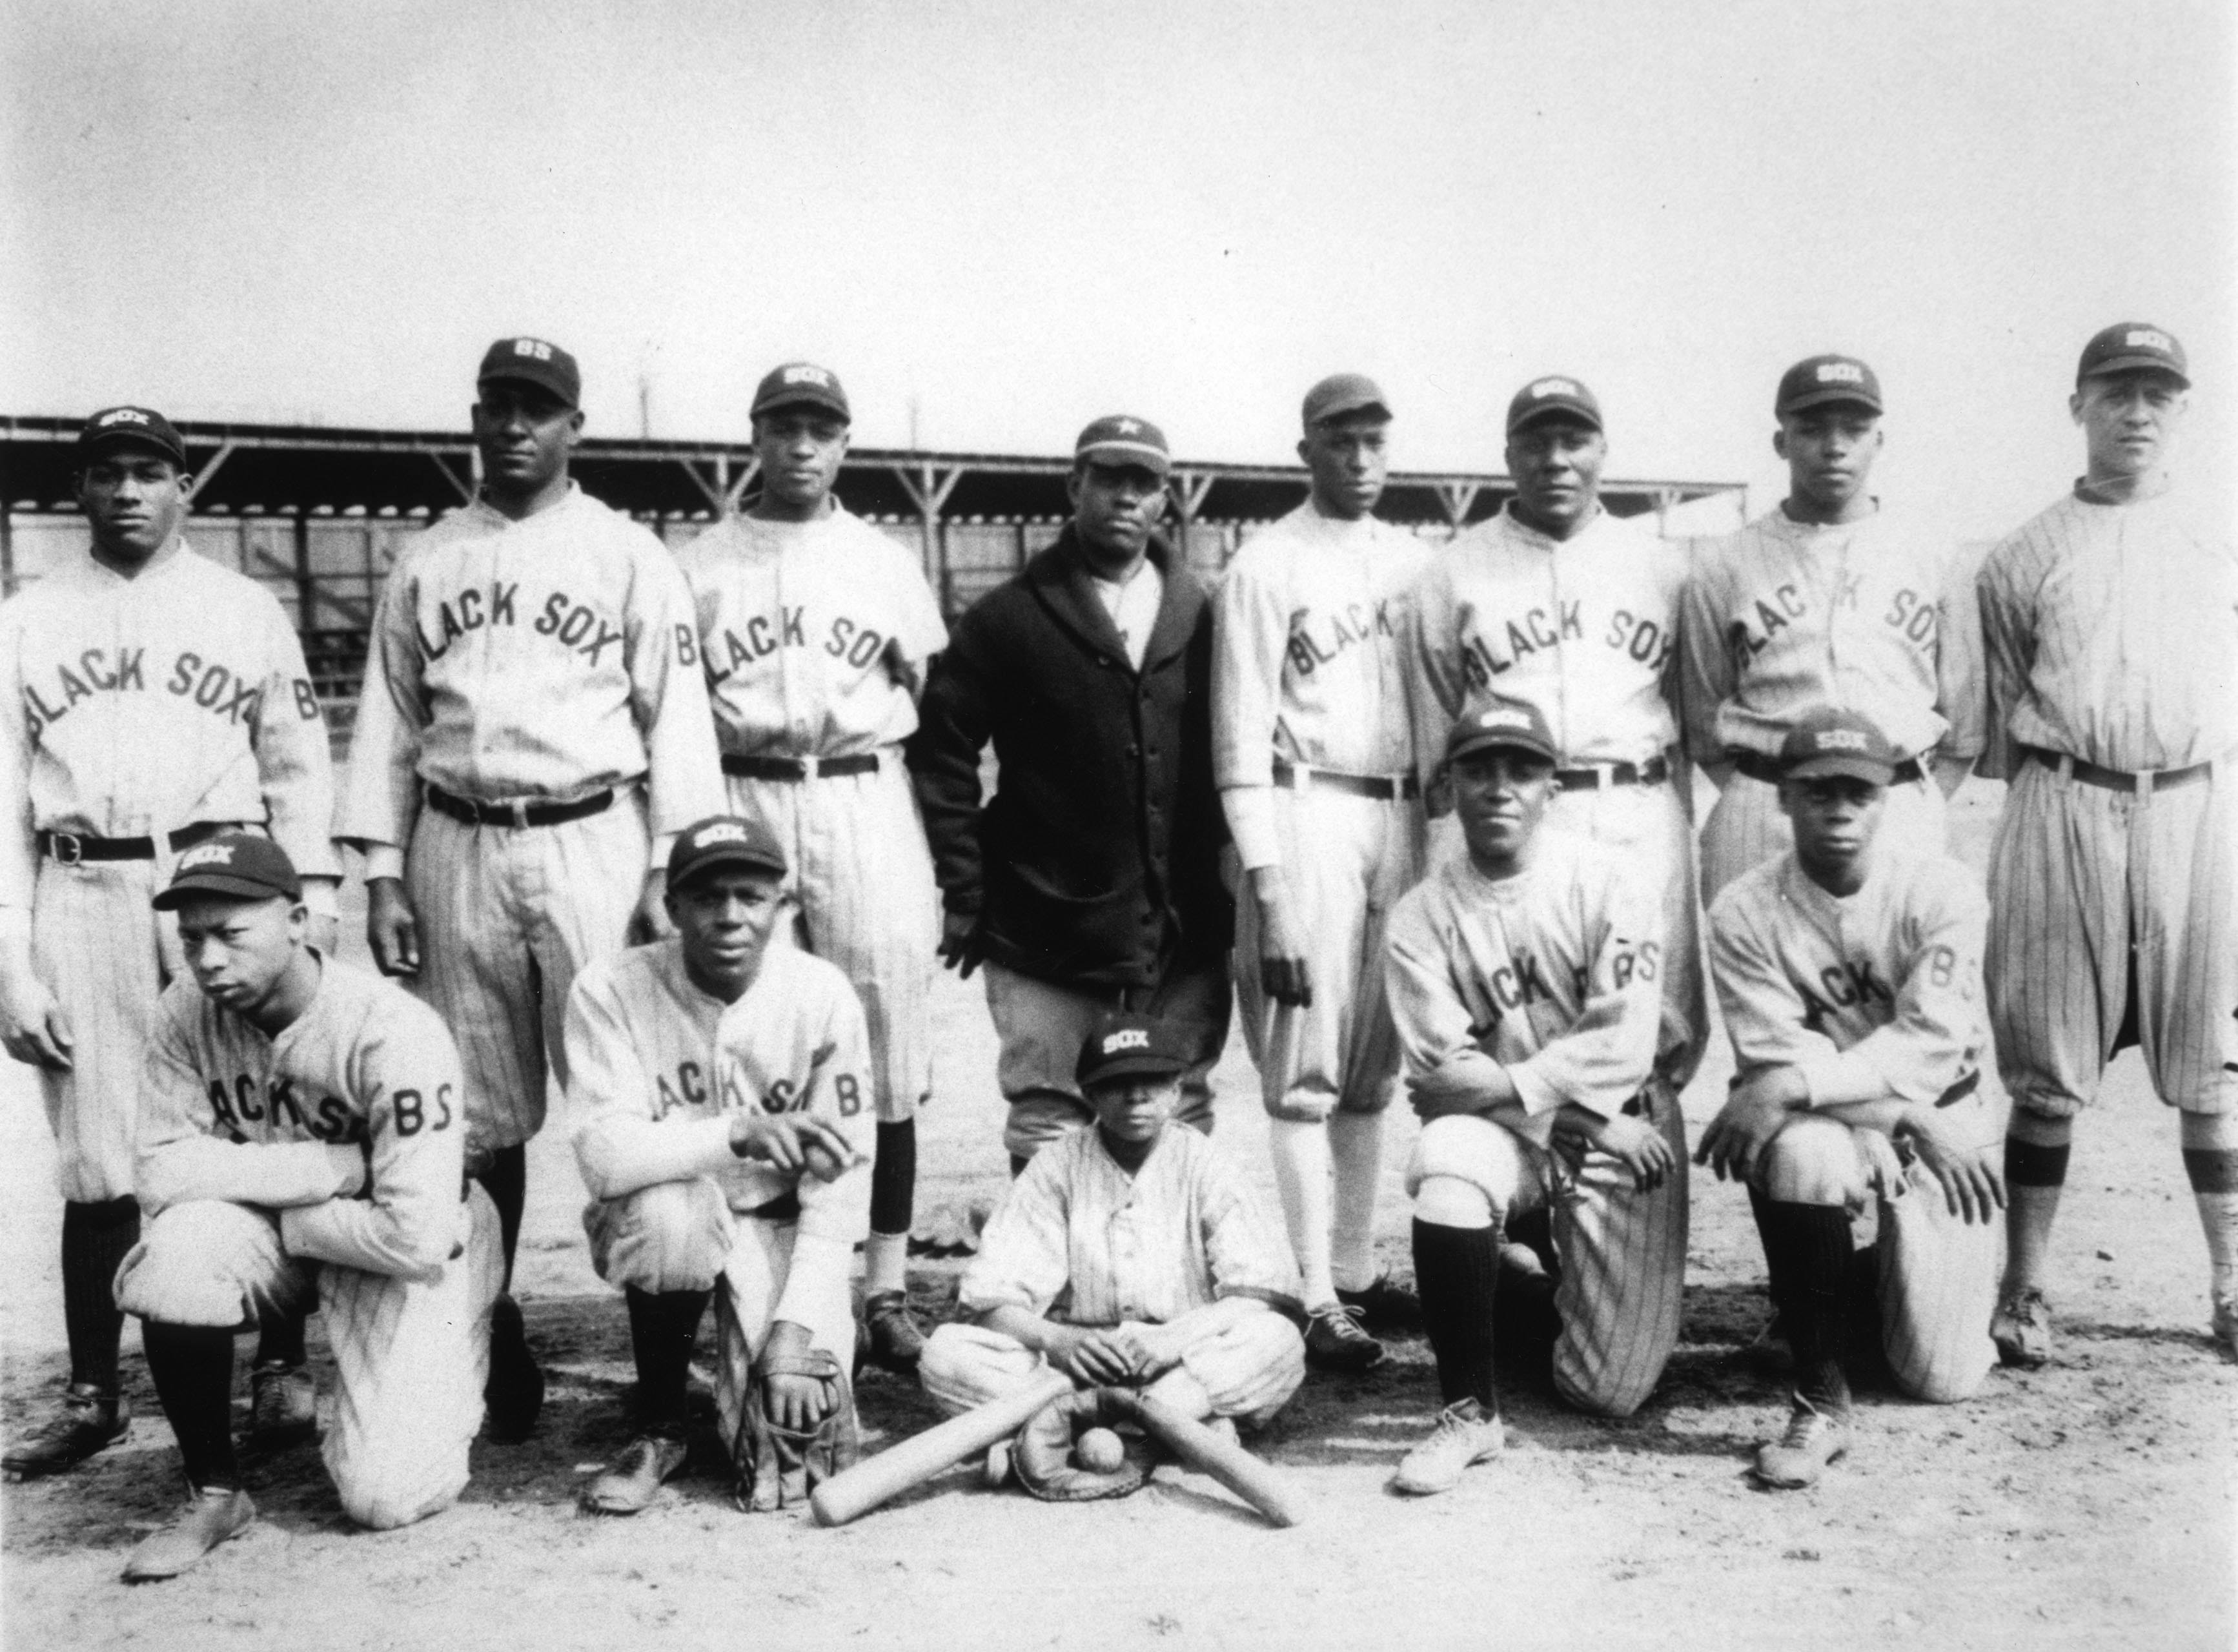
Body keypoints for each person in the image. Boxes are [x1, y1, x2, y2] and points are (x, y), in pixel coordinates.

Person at [336, 338, 724, 1437]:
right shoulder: (425, 557)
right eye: (499, 406)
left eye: (539, 409)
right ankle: (489, 1326)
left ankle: (658, 1367)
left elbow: (677, 718)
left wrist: (668, 865)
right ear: (475, 417)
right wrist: (378, 868)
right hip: (455, 838)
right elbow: (390, 722)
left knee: (626, 1096)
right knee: (472, 1111)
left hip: (593, 829)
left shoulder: (625, 549)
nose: (516, 426)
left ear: (574, 427)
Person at [0, 407, 338, 1478]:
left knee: (251, 1118)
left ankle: (279, 1363)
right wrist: (11, 959)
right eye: (107, 473)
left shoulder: (242, 607)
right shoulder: (27, 615)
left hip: (216, 879)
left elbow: (295, 762)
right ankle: (97, 1389)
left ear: (185, 486)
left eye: (150, 471)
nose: (129, 491)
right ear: (80, 490)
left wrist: (314, 898)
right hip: (83, 880)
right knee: (98, 1148)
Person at [112, 834, 500, 1580]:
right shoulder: (182, 1010)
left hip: (409, 1245)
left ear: (296, 920)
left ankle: (482, 1318)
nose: (207, 960)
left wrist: (277, 1208)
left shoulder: (391, 1029)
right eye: (191, 938)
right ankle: (217, 1493)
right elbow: (161, 1172)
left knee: (385, 1496)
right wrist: (334, 1166)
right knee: (178, 1253)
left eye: (230, 934)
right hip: (332, 1215)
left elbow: (413, 1237)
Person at [673, 362, 945, 1374]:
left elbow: (938, 702)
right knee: (747, 1036)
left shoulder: (883, 559)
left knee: (885, 1038)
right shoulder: (698, 561)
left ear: (844, 443)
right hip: (742, 791)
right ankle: (755, 1278)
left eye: (820, 428)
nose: (800, 445)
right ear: (754, 436)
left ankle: (883, 1285)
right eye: (783, 426)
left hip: (863, 790)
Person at [1975, 323, 2238, 1365]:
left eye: (2157, 395)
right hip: (2063, 797)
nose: (2136, 412)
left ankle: (2228, 1282)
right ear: (2075, 404)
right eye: (2115, 393)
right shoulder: (2022, 552)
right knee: (2044, 1064)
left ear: (2181, 409)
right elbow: (2001, 710)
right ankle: (2023, 1283)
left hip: (2194, 801)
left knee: (2211, 1060)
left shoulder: (2220, 531)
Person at [911, 416, 1233, 1167]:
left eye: (1143, 483)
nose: (1125, 498)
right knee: (1050, 1110)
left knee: (1175, 1103)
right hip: (1043, 914)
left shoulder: (1202, 612)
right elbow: (942, 750)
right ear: (1074, 486)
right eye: (1108, 479)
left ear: (1164, 499)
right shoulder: (1011, 614)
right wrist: (963, 887)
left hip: (1179, 922)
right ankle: (1044, 1281)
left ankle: (1168, 1277)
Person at [1383, 697, 1682, 1496]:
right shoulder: (1419, 916)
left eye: (1521, 769)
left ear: (1553, 786)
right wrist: (1567, 1112)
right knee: (1445, 1156)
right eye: (1478, 770)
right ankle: (1467, 1413)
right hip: (1534, 1131)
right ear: (1449, 786)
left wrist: (1533, 1093)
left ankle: (1511, 1280)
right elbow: (1440, 1082)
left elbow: (1621, 1041)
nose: (1499, 788)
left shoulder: (1611, 878)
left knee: (1604, 1388)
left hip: (1625, 1124)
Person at [1699, 707, 2004, 1489]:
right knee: (1799, 1151)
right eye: (1816, 790)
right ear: (1781, 797)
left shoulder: (1941, 889)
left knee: (1940, 1376)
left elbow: (1929, 1044)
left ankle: (1854, 1284)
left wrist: (1803, 1086)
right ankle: (1818, 1396)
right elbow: (1775, 1062)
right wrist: (1882, 1111)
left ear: (1887, 799)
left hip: (1946, 1110)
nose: (1837, 807)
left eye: (1857, 792)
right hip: (1864, 1121)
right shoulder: (1742, 907)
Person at [1211, 372, 1429, 1373]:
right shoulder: (1267, 561)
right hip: (1305, 807)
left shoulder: (1417, 561)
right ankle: (1308, 1291)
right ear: (1306, 449)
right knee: (1303, 1063)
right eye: (1339, 440)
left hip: (1405, 811)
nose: (1359, 457)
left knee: (1376, 1064)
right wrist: (1265, 883)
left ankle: (1351, 1268)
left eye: (1374, 439)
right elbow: (1236, 736)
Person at [1407, 373, 1707, 1092]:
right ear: (1507, 456)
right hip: (1518, 814)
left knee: (1654, 1024)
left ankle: (1644, 1201)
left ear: (1602, 449)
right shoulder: (1452, 571)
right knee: (1521, 1020)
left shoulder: (1661, 566)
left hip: (1635, 804)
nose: (1555, 460)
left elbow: (1691, 714)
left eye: (1573, 440)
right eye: (1535, 443)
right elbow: (1437, 719)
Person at [568, 815, 875, 1514]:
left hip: (784, 1225)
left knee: (798, 1427)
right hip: (669, 1214)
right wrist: (735, 1133)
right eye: (707, 898)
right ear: (670, 907)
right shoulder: (608, 987)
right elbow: (603, 1159)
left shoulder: (822, 995)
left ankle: (819, 1324)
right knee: (670, 1213)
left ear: (783, 907)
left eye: (750, 896)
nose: (730, 916)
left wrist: (795, 1331)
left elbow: (841, 1185)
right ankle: (658, 1423)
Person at [917, 1012, 1305, 1465]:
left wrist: (1174, 1339)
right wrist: (1059, 1341)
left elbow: (1262, 1294)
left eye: (1153, 1080)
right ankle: (1169, 1430)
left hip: (1180, 1362)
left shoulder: (1207, 1163)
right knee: (946, 1352)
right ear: (1090, 1093)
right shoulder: (1055, 1166)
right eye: (1118, 1081)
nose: (1137, 1094)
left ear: (1177, 1089)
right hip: (1074, 1367)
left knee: (1276, 1340)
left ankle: (1050, 1429)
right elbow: (989, 1305)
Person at [1677, 356, 1982, 901]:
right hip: (1764, 805)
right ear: (1780, 442)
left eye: (1853, 429)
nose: (1834, 446)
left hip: (1893, 802)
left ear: (1878, 440)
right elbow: (1704, 727)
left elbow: (1963, 730)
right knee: (1756, 979)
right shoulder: (1725, 563)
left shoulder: (1933, 556)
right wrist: (1764, 791)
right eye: (1811, 429)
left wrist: (1910, 796)